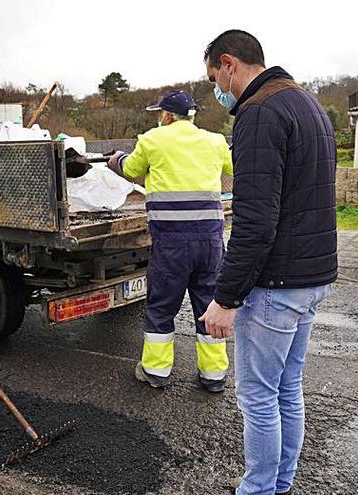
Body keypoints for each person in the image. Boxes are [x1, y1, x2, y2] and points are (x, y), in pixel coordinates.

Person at [199, 30, 338, 494]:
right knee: (286, 391)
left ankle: (258, 490)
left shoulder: (258, 113)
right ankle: (279, 485)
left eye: (214, 77)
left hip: (277, 284)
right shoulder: (307, 103)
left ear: (229, 64)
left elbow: (256, 221)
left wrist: (226, 297)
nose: (217, 89)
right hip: (311, 276)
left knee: (259, 398)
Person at [108, 90, 233, 393]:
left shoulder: (153, 139)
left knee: (162, 307)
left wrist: (117, 159)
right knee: (209, 305)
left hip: (172, 243)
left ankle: (155, 372)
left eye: (158, 114)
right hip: (211, 242)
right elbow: (232, 169)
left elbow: (133, 169)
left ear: (166, 115)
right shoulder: (216, 141)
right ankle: (214, 375)